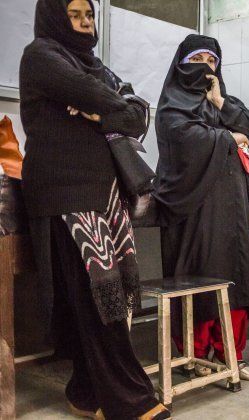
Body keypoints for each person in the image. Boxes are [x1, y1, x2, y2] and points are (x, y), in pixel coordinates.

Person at [19, 0, 168, 418]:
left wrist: (101, 111)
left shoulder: (91, 63)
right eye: (76, 16)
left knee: (108, 298)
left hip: (103, 194)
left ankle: (86, 392)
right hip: (67, 195)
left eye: (90, 16)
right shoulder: (41, 56)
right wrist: (110, 106)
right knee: (97, 299)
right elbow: (108, 100)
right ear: (54, 17)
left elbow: (139, 116)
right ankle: (129, 401)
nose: (86, 24)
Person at [153, 34, 249, 380]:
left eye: (211, 61)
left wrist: (221, 104)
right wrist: (226, 138)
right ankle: (195, 355)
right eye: (197, 60)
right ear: (182, 64)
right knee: (197, 278)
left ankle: (232, 354)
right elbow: (183, 139)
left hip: (231, 212)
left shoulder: (224, 102)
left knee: (235, 279)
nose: (205, 67)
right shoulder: (173, 105)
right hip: (194, 212)